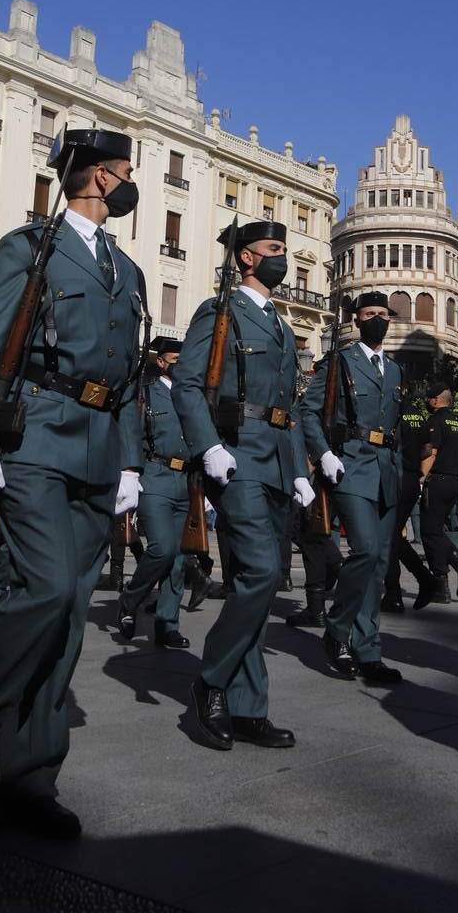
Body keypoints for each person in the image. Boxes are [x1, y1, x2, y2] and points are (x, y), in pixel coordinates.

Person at [0, 128, 145, 839]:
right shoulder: (29, 248)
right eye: (124, 170)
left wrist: (127, 461)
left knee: (67, 622)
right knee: (49, 590)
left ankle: (32, 777)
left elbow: (128, 381)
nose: (129, 181)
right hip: (33, 436)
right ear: (94, 175)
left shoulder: (128, 269)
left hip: (96, 449)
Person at [172, 220, 312, 751]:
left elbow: (290, 407)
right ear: (248, 259)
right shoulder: (220, 311)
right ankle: (210, 680)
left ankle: (249, 705)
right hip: (236, 452)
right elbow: (187, 383)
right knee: (259, 571)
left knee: (263, 581)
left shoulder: (278, 322)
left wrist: (298, 469)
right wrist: (208, 446)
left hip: (275, 458)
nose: (284, 258)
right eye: (275, 249)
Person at [301, 292, 403, 685]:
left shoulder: (395, 370)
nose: (377, 319)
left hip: (386, 469)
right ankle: (338, 627)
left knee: (378, 565)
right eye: (369, 314)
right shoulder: (338, 362)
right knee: (364, 550)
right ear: (356, 321)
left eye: (382, 314)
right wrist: (323, 453)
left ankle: (368, 650)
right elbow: (308, 411)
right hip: (351, 464)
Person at [117, 336, 199, 649]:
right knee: (163, 548)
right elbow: (132, 434)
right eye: (174, 361)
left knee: (179, 558)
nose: (181, 366)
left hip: (187, 480)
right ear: (161, 363)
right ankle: (131, 597)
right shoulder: (146, 396)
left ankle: (167, 624)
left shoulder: (195, 396)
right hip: (155, 476)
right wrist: (129, 473)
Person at [381, 387, 441, 613]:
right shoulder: (420, 417)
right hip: (410, 479)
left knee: (388, 536)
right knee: (393, 535)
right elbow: (427, 450)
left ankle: (398, 592)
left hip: (393, 477)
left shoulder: (393, 415)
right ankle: (418, 582)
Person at [419, 385, 458, 604]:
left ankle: (454, 574)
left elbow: (431, 452)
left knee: (429, 533)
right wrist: (451, 463)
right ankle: (450, 578)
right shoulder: (457, 422)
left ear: (435, 401)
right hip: (454, 480)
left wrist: (421, 477)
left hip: (438, 481)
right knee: (436, 532)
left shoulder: (435, 421)